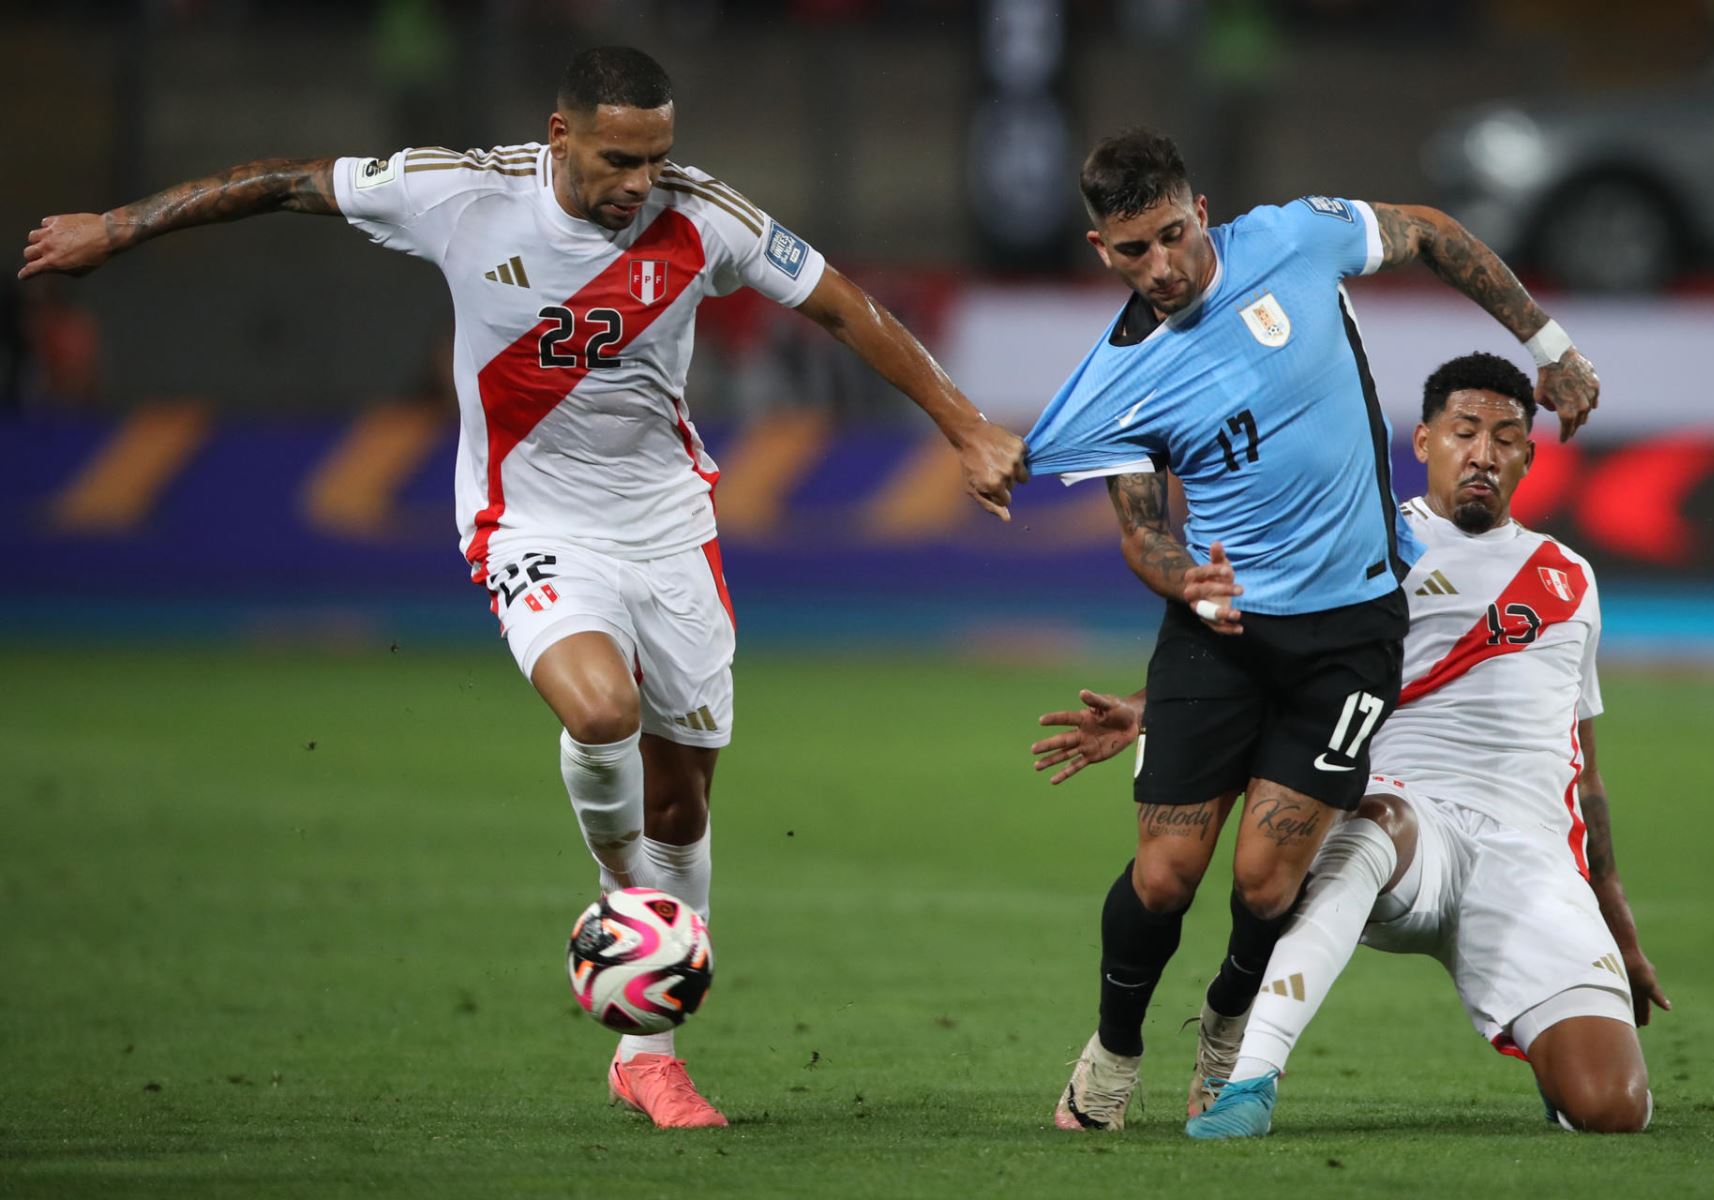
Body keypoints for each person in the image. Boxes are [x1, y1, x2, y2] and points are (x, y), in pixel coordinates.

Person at [18, 46, 1027, 1129]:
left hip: (670, 529)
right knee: (602, 712)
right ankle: (622, 909)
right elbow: (285, 182)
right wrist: (117, 229)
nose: (640, 182)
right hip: (529, 522)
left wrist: (965, 426)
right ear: (561, 136)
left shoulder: (702, 218)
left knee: (683, 800)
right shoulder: (459, 194)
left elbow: (842, 307)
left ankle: (648, 1048)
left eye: (657, 157)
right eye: (618, 158)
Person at [1022, 129, 1600, 1132]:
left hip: (1350, 633)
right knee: (1163, 878)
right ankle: (1115, 1049)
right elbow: (1142, 526)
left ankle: (1227, 1022)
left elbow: (1425, 232)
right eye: (1130, 251)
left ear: (1199, 210)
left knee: (1268, 875)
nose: (1158, 267)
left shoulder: (1296, 240)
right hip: (1221, 632)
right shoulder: (1124, 372)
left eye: (1169, 236)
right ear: (1098, 247)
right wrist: (1182, 583)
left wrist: (1546, 346)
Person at [1035, 352, 1666, 1137]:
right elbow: (1264, 660)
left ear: (1529, 458)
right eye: (1465, 431)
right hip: (1404, 827)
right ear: (1424, 440)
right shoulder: (1362, 544)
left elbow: (1585, 774)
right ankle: (1248, 1077)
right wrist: (1147, 708)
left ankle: (1555, 1051)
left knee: (1615, 1112)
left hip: (1530, 859)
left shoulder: (1570, 577)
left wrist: (1619, 930)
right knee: (1362, 825)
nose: (1484, 453)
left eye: (1506, 438)